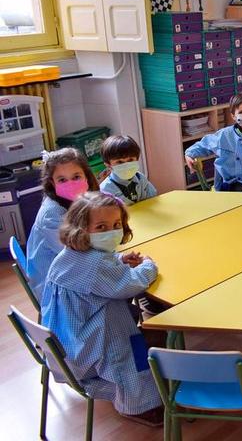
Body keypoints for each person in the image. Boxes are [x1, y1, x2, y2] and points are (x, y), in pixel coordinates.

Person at [40, 192, 163, 426]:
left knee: (120, 325)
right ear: (81, 230)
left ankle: (147, 376)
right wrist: (149, 266)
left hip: (64, 340)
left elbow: (96, 271)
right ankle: (138, 406)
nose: (112, 231)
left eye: (117, 224)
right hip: (84, 347)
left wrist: (118, 260)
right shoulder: (95, 264)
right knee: (122, 341)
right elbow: (129, 285)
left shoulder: (71, 254)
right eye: (101, 226)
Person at [26, 148, 100, 301]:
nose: (71, 183)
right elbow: (77, 255)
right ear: (52, 183)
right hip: (56, 288)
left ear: (87, 176)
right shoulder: (52, 215)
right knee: (118, 281)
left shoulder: (77, 201)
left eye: (76, 177)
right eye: (62, 180)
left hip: (70, 270)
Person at [184, 92, 242, 191]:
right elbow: (205, 144)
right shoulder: (224, 135)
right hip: (224, 184)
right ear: (233, 116)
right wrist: (189, 154)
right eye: (240, 112)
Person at [99, 135, 157, 205]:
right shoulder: (105, 189)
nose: (126, 165)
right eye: (119, 162)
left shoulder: (141, 178)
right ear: (108, 165)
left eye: (131, 160)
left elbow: (153, 199)